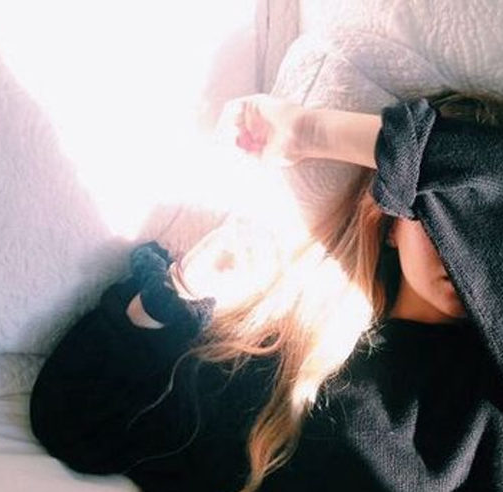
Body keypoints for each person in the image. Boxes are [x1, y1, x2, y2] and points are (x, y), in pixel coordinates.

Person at [30, 91, 503, 492]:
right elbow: (74, 422)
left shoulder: (491, 389)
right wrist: (177, 291)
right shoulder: (299, 360)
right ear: (391, 221)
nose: (460, 246)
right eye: (439, 214)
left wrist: (308, 131)